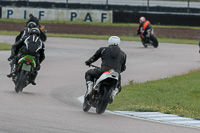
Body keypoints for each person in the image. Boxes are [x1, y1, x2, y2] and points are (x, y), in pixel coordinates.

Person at [84, 36, 126, 102]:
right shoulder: (123, 54)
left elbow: (94, 58)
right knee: (118, 87)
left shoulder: (103, 49)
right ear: (119, 43)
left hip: (103, 71)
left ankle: (89, 90)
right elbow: (123, 67)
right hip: (116, 74)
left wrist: (88, 62)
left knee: (88, 73)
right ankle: (113, 94)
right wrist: (118, 71)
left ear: (109, 41)